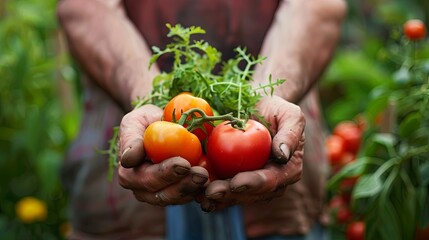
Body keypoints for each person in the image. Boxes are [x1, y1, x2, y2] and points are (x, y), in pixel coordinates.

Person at [57, 0, 346, 239]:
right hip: (129, 215)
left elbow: (316, 6)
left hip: (279, 205)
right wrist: (150, 96)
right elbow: (85, 8)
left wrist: (269, 95)